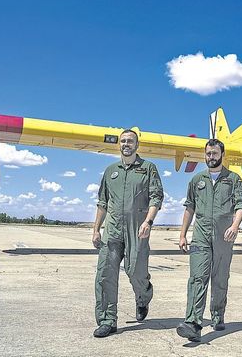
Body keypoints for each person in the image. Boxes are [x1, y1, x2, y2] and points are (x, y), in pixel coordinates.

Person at [91, 129, 164, 338]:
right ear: (119, 145)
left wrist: (148, 222)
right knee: (105, 274)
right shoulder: (110, 170)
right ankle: (107, 320)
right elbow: (103, 202)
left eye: (130, 141)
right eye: (123, 141)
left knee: (135, 272)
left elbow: (156, 198)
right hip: (112, 229)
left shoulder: (148, 168)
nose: (126, 144)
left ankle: (143, 297)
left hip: (137, 229)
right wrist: (96, 229)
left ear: (137, 145)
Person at [176, 139, 242, 342]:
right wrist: (183, 234)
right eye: (208, 153)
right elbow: (189, 207)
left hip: (224, 238)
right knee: (197, 278)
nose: (211, 157)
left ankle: (218, 315)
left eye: (214, 154)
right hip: (201, 236)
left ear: (221, 155)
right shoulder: (197, 180)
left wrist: (235, 226)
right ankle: (193, 323)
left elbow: (241, 204)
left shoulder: (233, 179)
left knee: (220, 279)